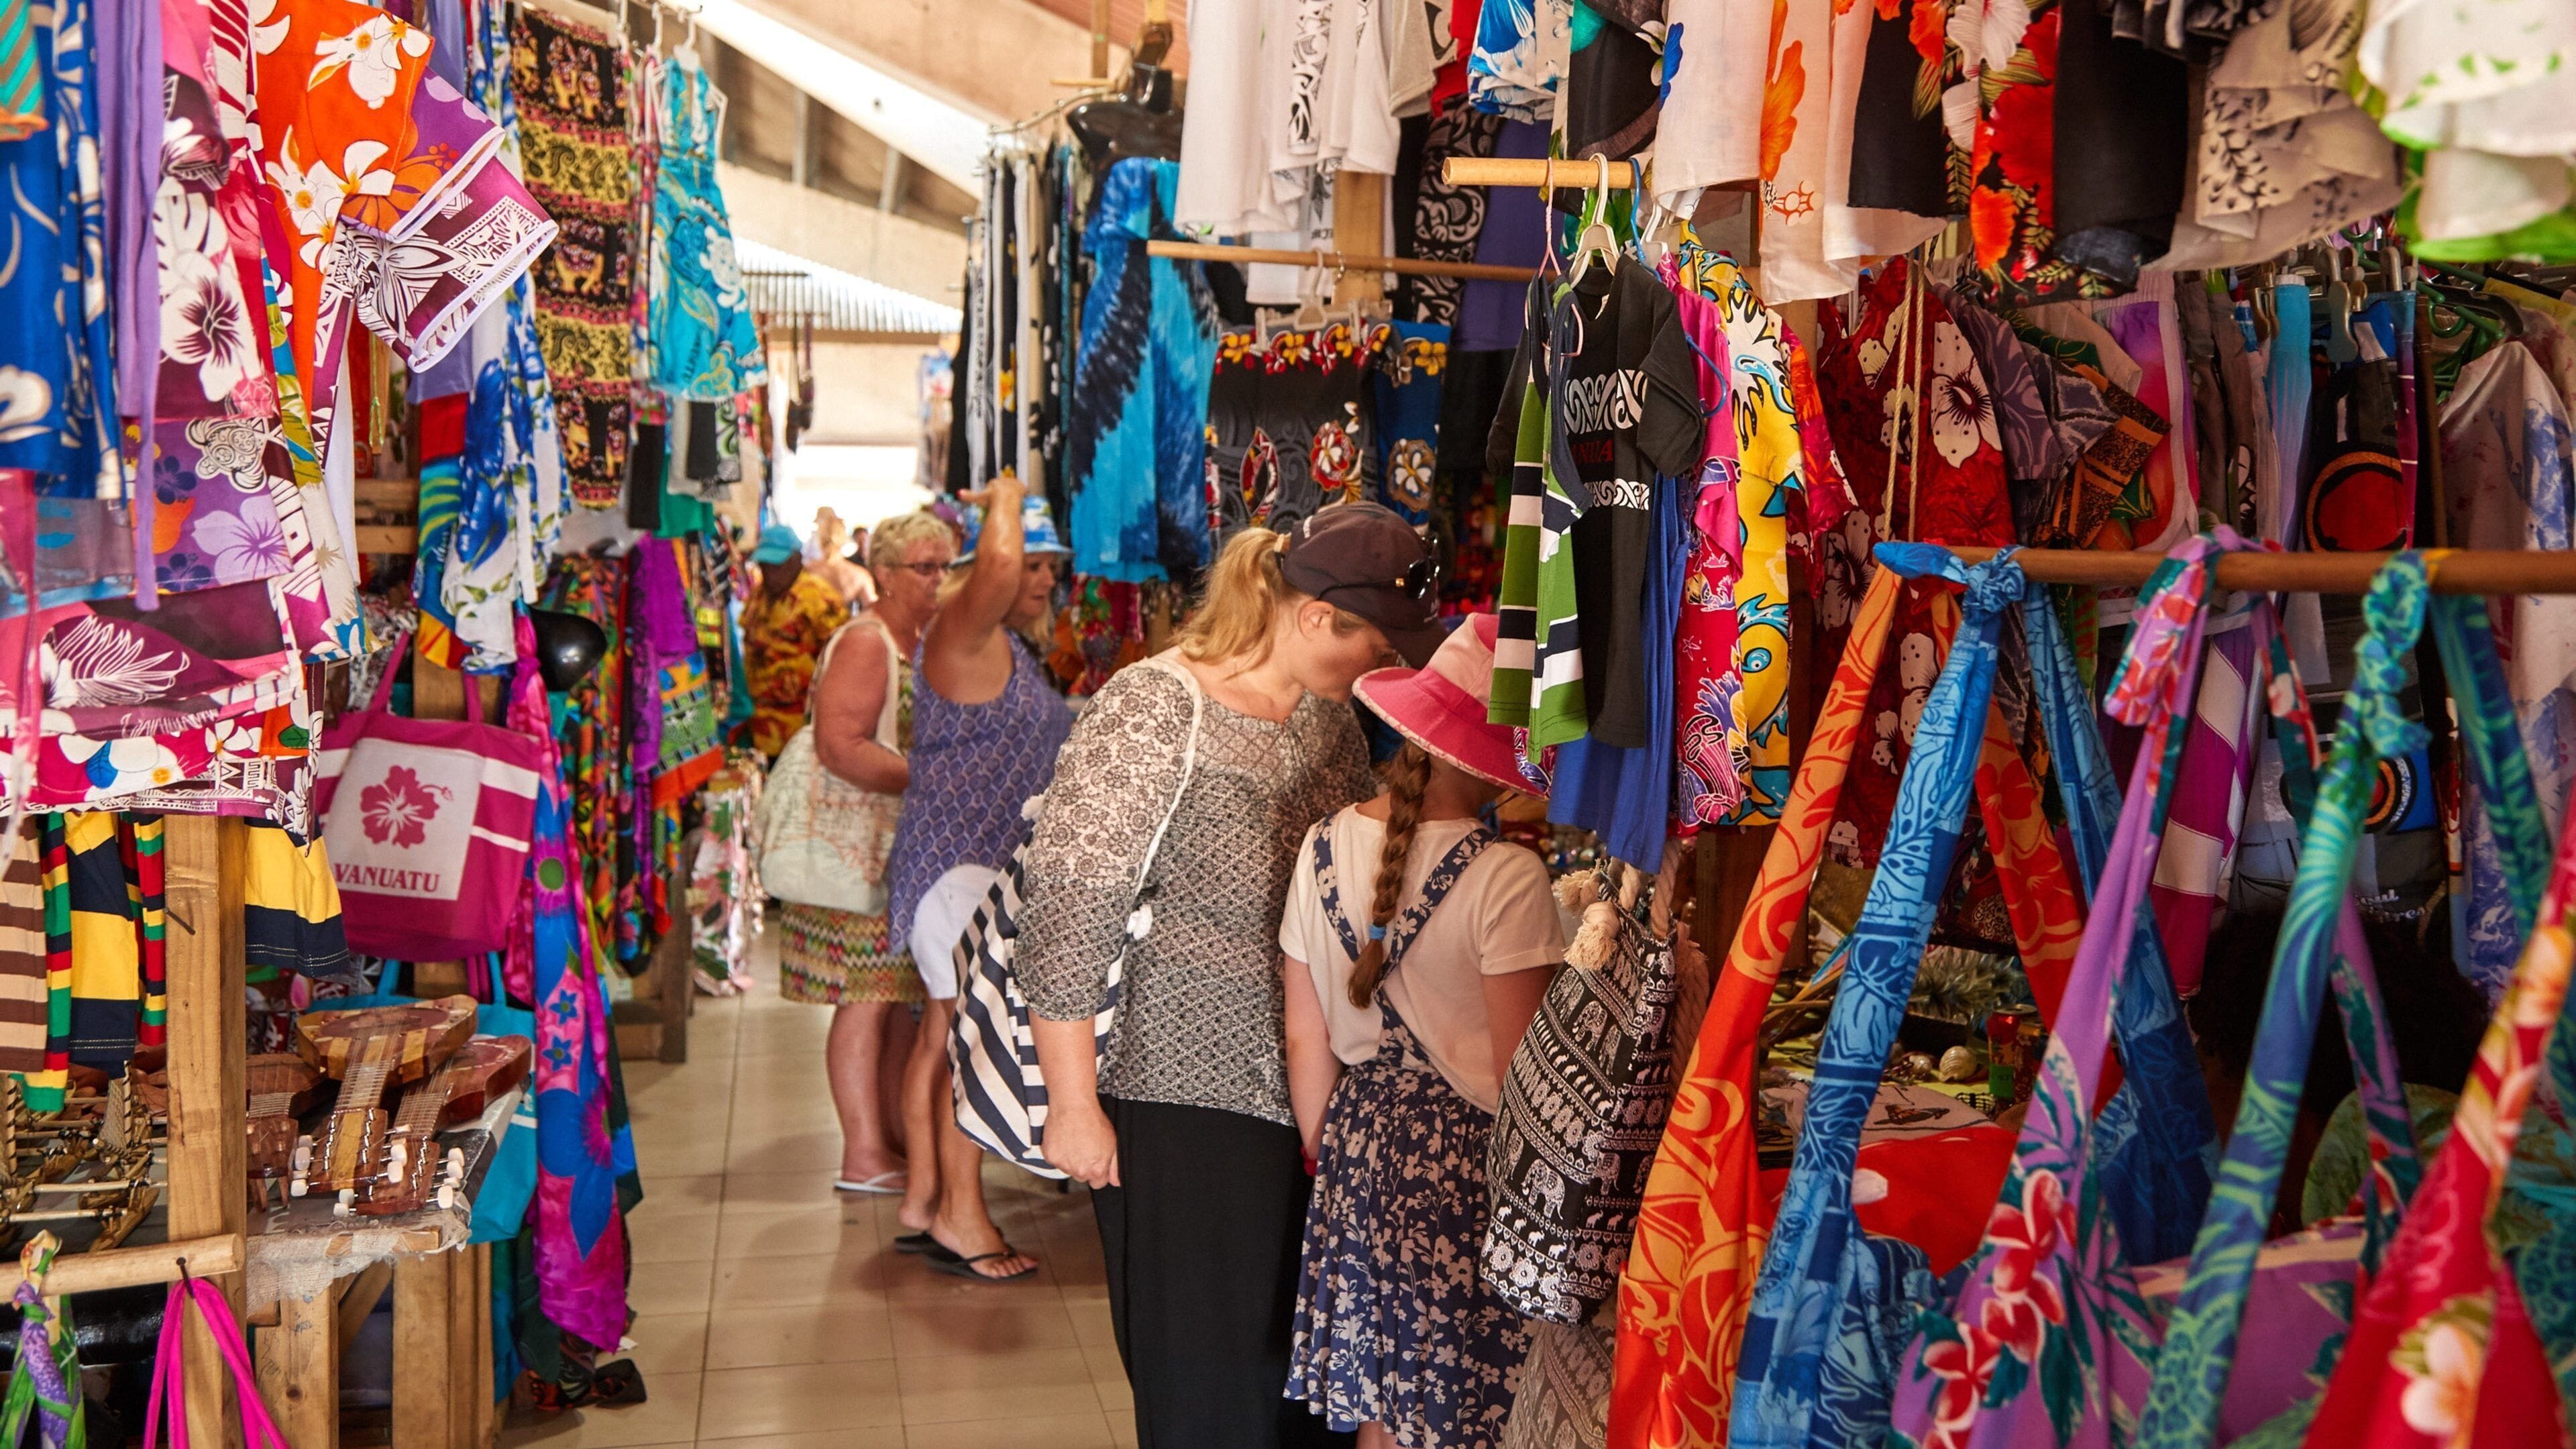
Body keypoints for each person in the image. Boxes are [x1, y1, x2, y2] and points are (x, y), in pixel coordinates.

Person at [1016, 503, 1446, 1449]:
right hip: (1186, 1091)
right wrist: (1073, 1100)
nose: (1391, 665)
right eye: (1380, 640)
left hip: (1310, 1082)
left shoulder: (1329, 723)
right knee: (1207, 1390)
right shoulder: (1157, 703)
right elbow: (1069, 904)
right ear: (1315, 618)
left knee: (1295, 1384)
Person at [1280, 613, 1564, 1449]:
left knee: (1384, 1388)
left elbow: (1307, 1039)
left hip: (1356, 1143)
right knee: (1459, 1396)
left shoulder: (1323, 844)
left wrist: (1326, 1149)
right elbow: (1523, 1073)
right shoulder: (1505, 875)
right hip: (1467, 1161)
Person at [884, 470, 1076, 1281]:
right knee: (973, 1042)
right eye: (1030, 562)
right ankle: (964, 1215)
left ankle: (926, 1202)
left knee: (942, 1037)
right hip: (958, 873)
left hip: (965, 870)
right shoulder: (965, 626)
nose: (1040, 580)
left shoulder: (1003, 645)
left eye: (1051, 568)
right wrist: (1007, 490)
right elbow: (993, 570)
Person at [773, 511, 956, 1197]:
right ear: (883, 571)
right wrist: (934, 776)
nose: (939, 580)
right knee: (864, 1000)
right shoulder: (866, 640)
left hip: (905, 849)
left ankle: (894, 1138)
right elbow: (840, 745)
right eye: (924, 568)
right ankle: (862, 1154)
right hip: (862, 850)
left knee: (898, 998)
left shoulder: (921, 639)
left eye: (946, 566)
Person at [741, 523, 853, 760]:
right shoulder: (758, 595)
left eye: (777, 565)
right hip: (758, 724)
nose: (770, 573)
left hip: (801, 727)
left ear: (796, 560)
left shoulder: (820, 598)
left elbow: (845, 658)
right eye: (765, 565)